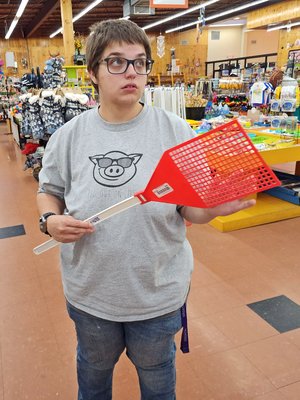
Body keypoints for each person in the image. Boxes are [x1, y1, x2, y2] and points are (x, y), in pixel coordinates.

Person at [37, 19, 255, 400]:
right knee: (93, 374)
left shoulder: (175, 130)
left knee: (158, 379)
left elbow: (190, 210)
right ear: (93, 73)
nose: (132, 73)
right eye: (117, 62)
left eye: (140, 62)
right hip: (91, 294)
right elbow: (49, 191)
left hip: (158, 293)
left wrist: (215, 210)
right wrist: (49, 220)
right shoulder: (68, 136)